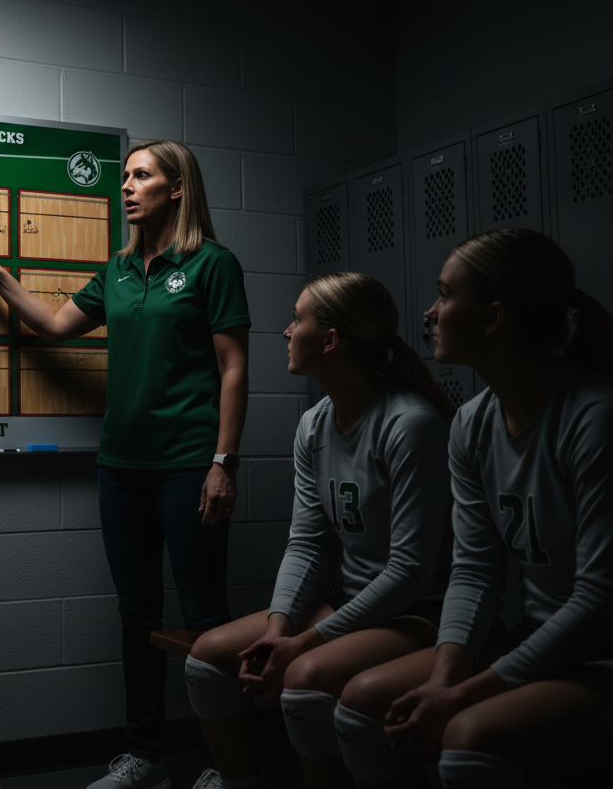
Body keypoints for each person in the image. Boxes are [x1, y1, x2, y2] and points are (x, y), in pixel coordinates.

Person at [335, 228, 613, 788]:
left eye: (445, 295)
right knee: (361, 703)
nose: (430, 312)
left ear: (493, 318)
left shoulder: (600, 416)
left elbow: (603, 603)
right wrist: (445, 680)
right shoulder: (472, 423)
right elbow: (474, 571)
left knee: (471, 735)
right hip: (539, 640)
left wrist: (464, 695)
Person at [0, 140, 250, 789]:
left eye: (141, 176)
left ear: (176, 189)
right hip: (121, 466)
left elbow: (234, 369)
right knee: (137, 615)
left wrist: (223, 462)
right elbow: (55, 325)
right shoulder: (116, 270)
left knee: (205, 616)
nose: (126, 186)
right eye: (125, 176)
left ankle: (226, 763)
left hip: (189, 464)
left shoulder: (212, 265)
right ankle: (144, 758)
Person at [183, 273, 456, 789]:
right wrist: (277, 630)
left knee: (303, 683)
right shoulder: (314, 423)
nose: (286, 331)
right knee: (207, 660)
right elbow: (306, 540)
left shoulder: (409, 424)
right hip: (351, 600)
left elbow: (411, 571)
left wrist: (307, 640)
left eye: (297, 319)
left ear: (330, 341)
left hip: (421, 613)